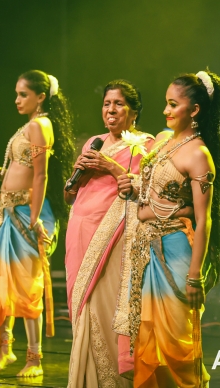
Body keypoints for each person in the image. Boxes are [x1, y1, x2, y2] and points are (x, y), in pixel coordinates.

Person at [118, 70, 220, 387]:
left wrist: (195, 276)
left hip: (176, 250)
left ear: (194, 110)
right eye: (166, 103)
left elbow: (204, 219)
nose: (165, 110)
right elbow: (154, 191)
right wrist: (132, 188)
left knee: (176, 341)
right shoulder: (163, 141)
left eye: (173, 104)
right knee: (148, 337)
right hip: (145, 250)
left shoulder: (199, 154)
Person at [0, 70, 74, 377]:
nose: (17, 100)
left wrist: (34, 216)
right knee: (3, 281)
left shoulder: (40, 125)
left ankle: (35, 358)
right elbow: (19, 170)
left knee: (28, 286)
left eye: (23, 94)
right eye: (16, 94)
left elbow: (41, 175)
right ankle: (7, 348)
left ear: (40, 97)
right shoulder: (28, 126)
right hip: (8, 211)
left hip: (28, 214)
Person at [65, 80, 156, 386]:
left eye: (119, 104)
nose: (111, 110)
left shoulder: (146, 144)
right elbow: (69, 195)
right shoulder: (94, 142)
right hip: (80, 228)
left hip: (114, 234)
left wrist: (111, 167)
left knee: (104, 301)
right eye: (107, 103)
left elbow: (147, 191)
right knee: (81, 302)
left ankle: (111, 380)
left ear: (134, 111)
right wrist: (75, 177)